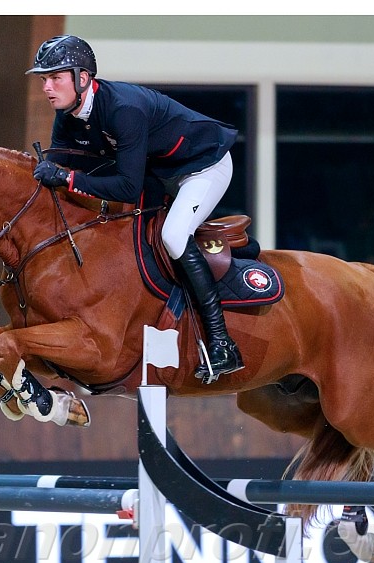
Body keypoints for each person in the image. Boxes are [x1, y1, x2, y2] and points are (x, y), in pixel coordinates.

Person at [26, 34, 244, 383]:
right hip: (159, 174)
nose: (47, 87)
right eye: (44, 80)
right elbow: (63, 167)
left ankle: (222, 343)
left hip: (202, 167)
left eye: (55, 78)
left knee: (173, 236)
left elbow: (126, 185)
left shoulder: (123, 110)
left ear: (83, 78)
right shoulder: (67, 115)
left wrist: (66, 178)